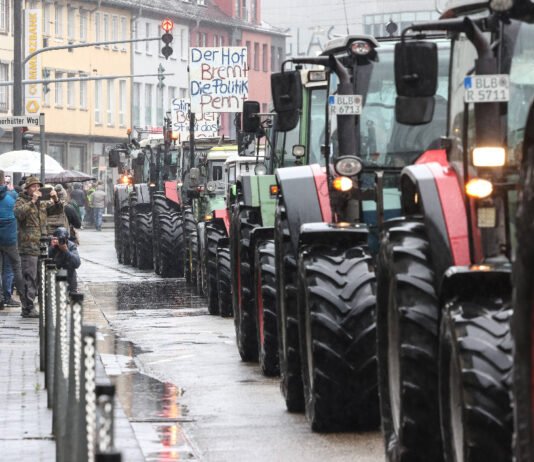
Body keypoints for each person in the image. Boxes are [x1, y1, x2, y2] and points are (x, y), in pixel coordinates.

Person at [14, 176, 62, 318]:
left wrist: (55, 198)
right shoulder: (21, 200)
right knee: (30, 276)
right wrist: (33, 201)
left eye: (38, 187)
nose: (36, 189)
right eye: (33, 187)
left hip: (41, 244)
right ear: (28, 189)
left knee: (40, 276)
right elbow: (19, 214)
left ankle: (34, 304)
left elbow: (58, 210)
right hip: (28, 246)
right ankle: (28, 307)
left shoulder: (42, 203)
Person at [0, 170, 24, 311]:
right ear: (4, 180)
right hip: (10, 240)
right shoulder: (12, 196)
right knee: (15, 268)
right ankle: (24, 300)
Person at [48, 227, 80, 293]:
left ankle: (71, 291)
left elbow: (77, 263)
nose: (61, 241)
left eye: (63, 240)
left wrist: (66, 251)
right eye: (59, 239)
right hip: (54, 273)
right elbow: (42, 261)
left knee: (72, 268)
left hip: (68, 274)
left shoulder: (71, 245)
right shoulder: (50, 243)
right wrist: (51, 248)